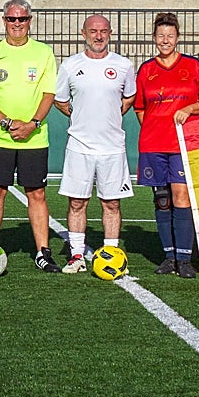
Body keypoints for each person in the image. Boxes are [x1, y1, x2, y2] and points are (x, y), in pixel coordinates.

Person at [0, 0, 61, 273]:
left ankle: (42, 252)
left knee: (36, 193)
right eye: (11, 19)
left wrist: (33, 123)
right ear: (4, 21)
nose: (16, 24)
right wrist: (7, 122)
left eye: (21, 19)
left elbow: (49, 94)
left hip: (34, 138)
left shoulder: (44, 53)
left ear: (29, 21)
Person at [55, 15, 137, 273]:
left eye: (103, 31)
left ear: (110, 33)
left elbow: (129, 97)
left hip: (113, 147)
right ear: (83, 33)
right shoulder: (70, 65)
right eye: (93, 31)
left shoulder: (123, 65)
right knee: (77, 202)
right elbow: (60, 100)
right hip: (79, 146)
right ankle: (76, 255)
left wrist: (110, 116)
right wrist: (80, 116)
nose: (98, 36)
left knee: (111, 203)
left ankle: (111, 251)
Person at [134, 12, 199, 278]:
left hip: (182, 144)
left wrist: (189, 109)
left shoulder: (193, 67)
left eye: (170, 36)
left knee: (181, 196)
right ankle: (169, 256)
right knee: (161, 200)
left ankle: (185, 259)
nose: (165, 40)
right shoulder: (147, 70)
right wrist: (155, 128)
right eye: (161, 36)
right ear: (154, 39)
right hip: (153, 144)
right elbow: (140, 108)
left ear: (177, 37)